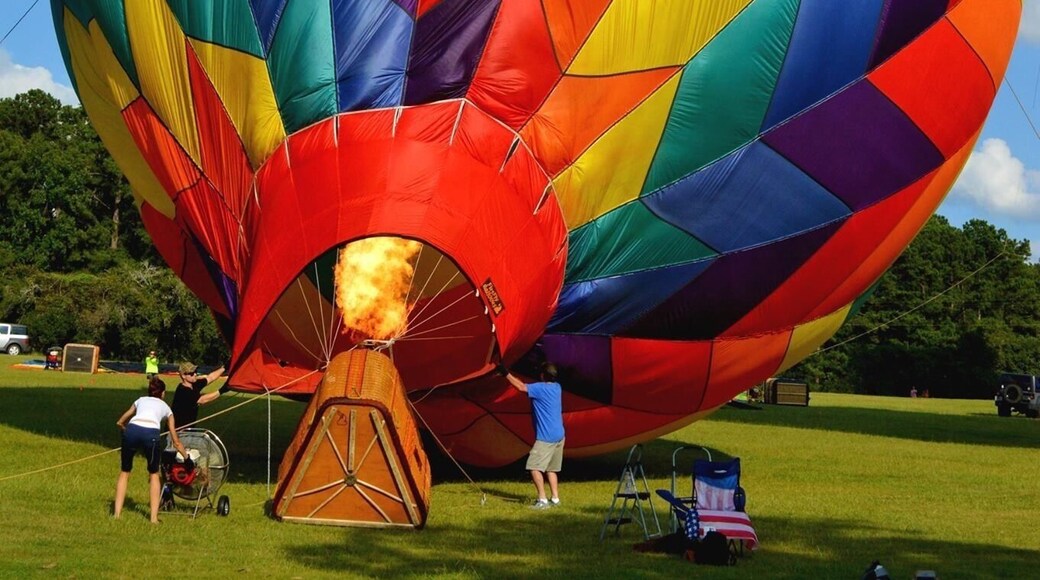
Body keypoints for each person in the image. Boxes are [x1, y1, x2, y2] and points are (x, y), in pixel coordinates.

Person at [114, 376, 188, 523]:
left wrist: (125, 430)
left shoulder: (140, 400)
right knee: (154, 474)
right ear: (163, 393)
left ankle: (116, 515)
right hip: (151, 435)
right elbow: (176, 441)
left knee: (125, 472)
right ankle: (153, 519)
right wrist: (187, 458)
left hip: (131, 431)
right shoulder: (167, 409)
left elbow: (120, 421)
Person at [503, 362, 565, 510]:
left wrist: (505, 373)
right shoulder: (557, 388)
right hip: (560, 435)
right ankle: (555, 499)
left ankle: (542, 500)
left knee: (534, 467)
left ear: (542, 375)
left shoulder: (540, 389)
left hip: (546, 437)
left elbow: (521, 387)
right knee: (551, 469)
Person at [171, 361, 228, 429]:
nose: (195, 374)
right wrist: (222, 390)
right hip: (178, 430)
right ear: (183, 376)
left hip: (188, 428)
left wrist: (225, 368)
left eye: (195, 371)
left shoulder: (194, 384)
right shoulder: (183, 391)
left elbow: (210, 377)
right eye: (191, 373)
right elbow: (202, 400)